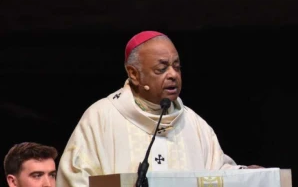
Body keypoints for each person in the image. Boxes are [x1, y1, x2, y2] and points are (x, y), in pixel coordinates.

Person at [56, 30, 262, 187]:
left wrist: (247, 174)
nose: (172, 74)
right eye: (161, 69)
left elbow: (216, 172)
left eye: (177, 66)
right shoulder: (101, 118)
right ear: (134, 74)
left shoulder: (194, 124)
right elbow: (76, 178)